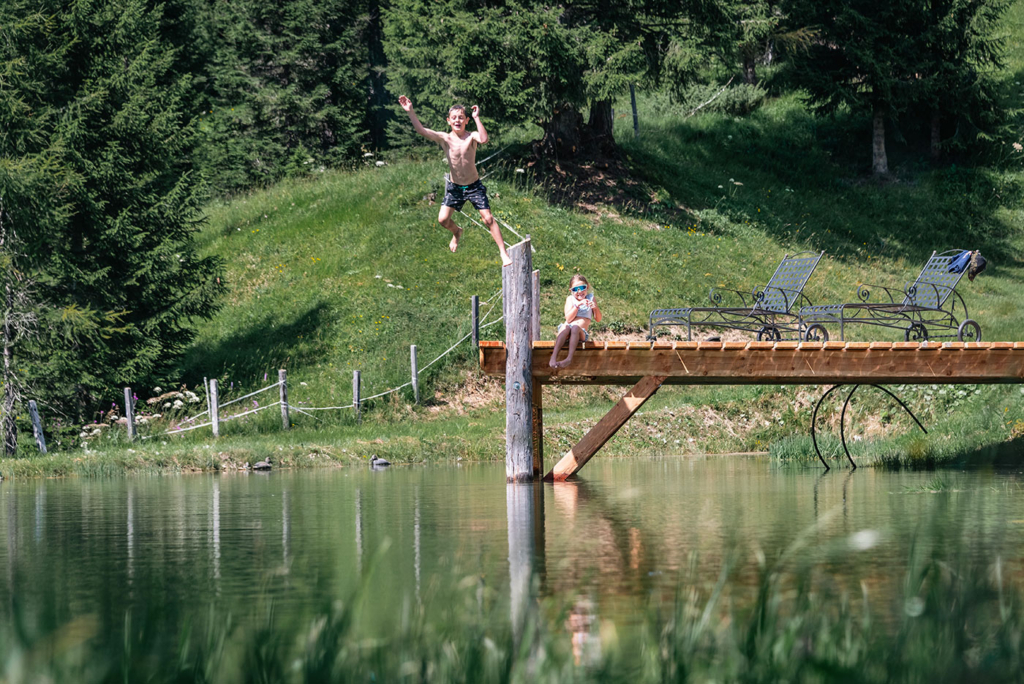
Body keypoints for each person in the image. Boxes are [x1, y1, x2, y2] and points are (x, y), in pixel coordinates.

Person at [398, 96, 512, 267]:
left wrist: (477, 118)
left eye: (461, 117)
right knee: (443, 220)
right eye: (454, 118)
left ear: (466, 120)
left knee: (488, 218)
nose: (457, 120)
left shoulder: (471, 136)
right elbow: (422, 130)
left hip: (473, 186)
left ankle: (503, 252)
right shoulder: (445, 138)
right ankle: (457, 232)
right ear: (448, 121)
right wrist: (410, 111)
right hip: (455, 188)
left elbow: (484, 139)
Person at [549, 275, 601, 368]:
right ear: (571, 291)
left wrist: (595, 308)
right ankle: (553, 357)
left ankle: (569, 358)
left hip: (580, 332)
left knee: (575, 327)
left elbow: (598, 319)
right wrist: (577, 305)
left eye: (582, 288)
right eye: (575, 289)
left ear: (587, 287)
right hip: (568, 329)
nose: (579, 291)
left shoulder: (590, 298)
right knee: (566, 327)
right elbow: (568, 318)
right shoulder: (570, 299)